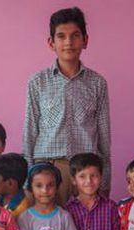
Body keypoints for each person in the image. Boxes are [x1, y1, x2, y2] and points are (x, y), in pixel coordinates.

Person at [23, 6, 111, 204]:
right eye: (61, 36)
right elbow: (29, 132)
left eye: (75, 35)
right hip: (49, 170)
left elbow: (104, 137)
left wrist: (104, 182)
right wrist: (27, 183)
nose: (68, 42)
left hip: (87, 172)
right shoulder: (38, 82)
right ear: (51, 42)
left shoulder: (98, 83)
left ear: (85, 40)